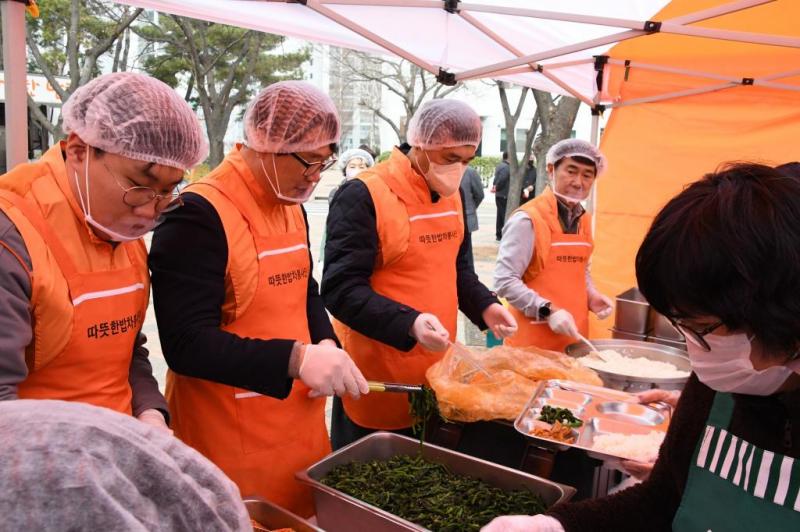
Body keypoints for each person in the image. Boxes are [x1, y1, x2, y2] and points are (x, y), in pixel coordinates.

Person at [483, 163, 800, 531]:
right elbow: (661, 498)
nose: (694, 350)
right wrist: (558, 525)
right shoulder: (715, 387)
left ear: (780, 318)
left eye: (700, 328)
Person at [149, 81, 368, 516]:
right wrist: (296, 359)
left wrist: (325, 343)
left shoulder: (291, 202)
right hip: (227, 438)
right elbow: (185, 344)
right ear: (266, 146)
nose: (315, 175)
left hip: (297, 423)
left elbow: (305, 286)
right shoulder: (198, 214)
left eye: (325, 162)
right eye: (309, 161)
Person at [0, 72, 207, 431]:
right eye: (138, 185)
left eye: (168, 191)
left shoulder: (121, 229)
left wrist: (150, 412)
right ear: (79, 149)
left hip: (116, 451)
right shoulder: (12, 236)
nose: (149, 210)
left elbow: (125, 352)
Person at [322, 99, 517, 450]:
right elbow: (340, 289)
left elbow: (458, 269)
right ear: (420, 145)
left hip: (439, 372)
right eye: (450, 158)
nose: (458, 170)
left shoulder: (451, 195)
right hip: (378, 374)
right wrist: (409, 323)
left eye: (467, 160)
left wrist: (485, 306)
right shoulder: (364, 194)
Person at [0, 399, 249, 531]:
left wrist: (150, 410)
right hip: (44, 459)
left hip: (127, 439)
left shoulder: (200, 489)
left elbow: (133, 355)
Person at [494, 139, 613, 352]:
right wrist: (548, 311)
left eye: (587, 175)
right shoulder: (528, 219)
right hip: (532, 345)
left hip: (574, 342)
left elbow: (580, 270)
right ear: (551, 169)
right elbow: (504, 281)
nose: (578, 182)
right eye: (571, 171)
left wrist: (592, 296)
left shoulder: (585, 220)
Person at [460, 164, 485, 265]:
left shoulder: (469, 171)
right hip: (451, 220)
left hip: (466, 219)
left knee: (466, 254)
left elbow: (479, 194)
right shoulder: (445, 169)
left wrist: (471, 208)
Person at [492, 151, 510, 240]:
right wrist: (497, 187)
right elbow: (502, 179)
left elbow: (496, 179)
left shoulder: (500, 165)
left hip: (499, 194)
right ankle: (503, 234)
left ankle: (498, 234)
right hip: (503, 194)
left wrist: (495, 187)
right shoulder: (507, 167)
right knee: (503, 215)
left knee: (499, 215)